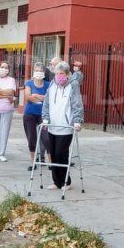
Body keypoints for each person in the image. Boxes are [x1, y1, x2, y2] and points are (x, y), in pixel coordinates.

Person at [41, 61, 83, 190]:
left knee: (61, 153)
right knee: (53, 154)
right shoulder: (52, 85)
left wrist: (77, 120)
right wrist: (45, 118)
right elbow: (46, 103)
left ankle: (66, 181)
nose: (59, 76)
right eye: (57, 73)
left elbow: (77, 103)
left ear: (67, 74)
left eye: (62, 73)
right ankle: (56, 181)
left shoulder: (73, 85)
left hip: (66, 127)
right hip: (52, 126)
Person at [23, 62, 49, 169]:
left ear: (44, 72)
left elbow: (49, 98)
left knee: (46, 138)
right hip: (30, 113)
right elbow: (28, 97)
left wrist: (36, 95)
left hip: (44, 114)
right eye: (36, 70)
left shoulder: (48, 84)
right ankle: (33, 162)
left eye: (40, 70)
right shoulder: (29, 83)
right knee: (31, 138)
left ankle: (50, 162)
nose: (38, 72)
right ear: (33, 71)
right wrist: (42, 98)